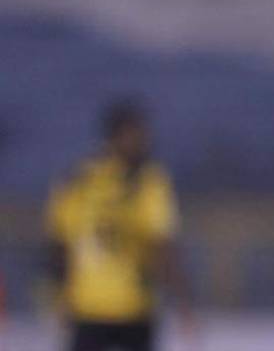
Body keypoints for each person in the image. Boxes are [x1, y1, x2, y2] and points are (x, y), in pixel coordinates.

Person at [45, 101, 190, 351]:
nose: (142, 143)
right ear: (114, 137)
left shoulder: (78, 178)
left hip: (126, 306)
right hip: (99, 305)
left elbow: (59, 243)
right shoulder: (145, 181)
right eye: (135, 136)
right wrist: (183, 301)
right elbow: (163, 245)